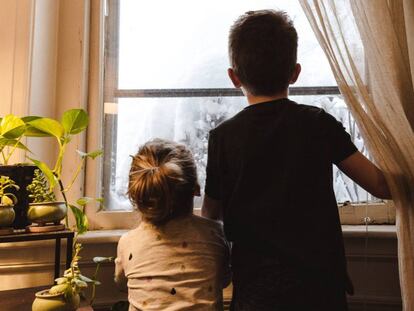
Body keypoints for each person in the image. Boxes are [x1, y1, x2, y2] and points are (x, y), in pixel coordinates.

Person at [202, 10, 391, 311]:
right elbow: (381, 185)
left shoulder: (223, 138)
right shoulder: (318, 124)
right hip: (319, 290)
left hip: (255, 294)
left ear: (234, 77)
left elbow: (210, 214)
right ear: (295, 72)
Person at [115, 139, 230, 311]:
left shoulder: (128, 244)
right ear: (196, 189)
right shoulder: (215, 235)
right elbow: (224, 279)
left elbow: (121, 284)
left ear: (138, 197)